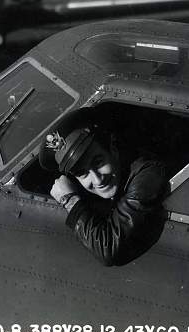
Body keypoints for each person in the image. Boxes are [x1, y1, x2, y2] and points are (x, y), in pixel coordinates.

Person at [39, 110, 168, 266]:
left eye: (99, 162)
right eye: (82, 173)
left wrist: (70, 201)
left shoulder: (146, 173)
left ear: (112, 149)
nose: (97, 179)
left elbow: (110, 250)